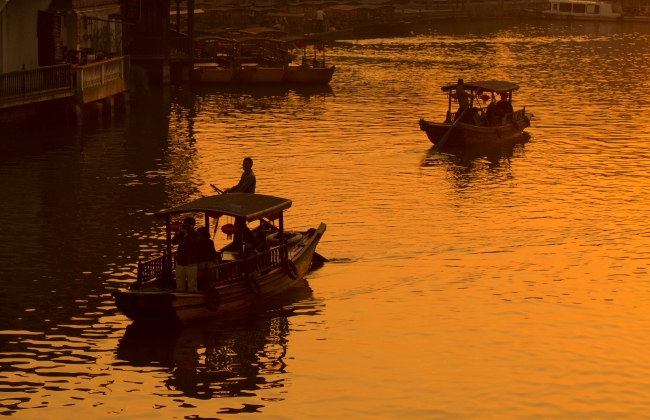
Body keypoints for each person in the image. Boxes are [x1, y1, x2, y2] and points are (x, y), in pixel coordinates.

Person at [172, 216, 201, 292]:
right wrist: (178, 233)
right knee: (179, 285)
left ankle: (193, 300)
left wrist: (186, 235)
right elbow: (173, 242)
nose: (187, 226)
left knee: (192, 285)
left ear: (193, 225)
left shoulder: (196, 234)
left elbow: (194, 244)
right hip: (180, 263)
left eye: (189, 225)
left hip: (191, 264)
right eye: (186, 224)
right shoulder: (181, 233)